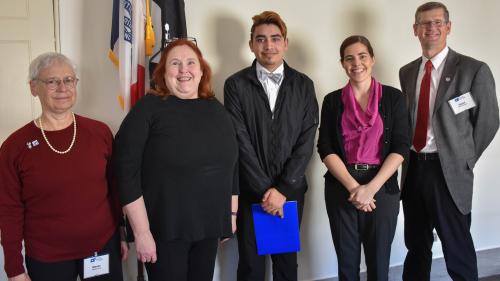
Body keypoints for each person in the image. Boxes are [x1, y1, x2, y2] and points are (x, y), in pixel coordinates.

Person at [114, 39, 239, 281]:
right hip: (163, 231)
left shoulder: (216, 109)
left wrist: (230, 217)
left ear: (202, 71)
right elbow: (126, 172)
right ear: (162, 72)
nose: (184, 70)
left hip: (207, 228)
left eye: (191, 62)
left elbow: (232, 165)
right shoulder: (147, 109)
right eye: (175, 63)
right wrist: (141, 233)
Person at [0, 53, 127, 281]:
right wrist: (14, 268)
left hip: (101, 247)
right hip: (47, 256)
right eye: (52, 81)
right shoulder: (14, 147)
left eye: (69, 80)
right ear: (33, 87)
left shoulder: (99, 133)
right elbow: (8, 209)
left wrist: (121, 232)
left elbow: (114, 188)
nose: (62, 88)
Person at [400, 2, 499, 281]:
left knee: (456, 246)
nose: (431, 28)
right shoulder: (407, 72)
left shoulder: (473, 69)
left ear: (448, 27)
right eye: (424, 23)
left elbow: (489, 121)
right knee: (416, 245)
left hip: (448, 172)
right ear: (415, 29)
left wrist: (462, 158)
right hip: (414, 168)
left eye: (437, 22)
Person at [224, 11, 318, 281]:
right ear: (251, 44)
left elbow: (306, 140)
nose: (269, 46)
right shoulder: (235, 85)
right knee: (250, 265)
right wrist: (267, 191)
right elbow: (239, 140)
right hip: (252, 193)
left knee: (286, 265)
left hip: (290, 192)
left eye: (275, 39)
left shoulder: (304, 85)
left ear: (285, 43)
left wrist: (282, 190)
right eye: (261, 39)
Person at [317, 35, 409, 281]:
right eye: (349, 58)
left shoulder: (394, 98)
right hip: (341, 184)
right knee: (346, 264)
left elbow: (401, 146)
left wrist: (371, 189)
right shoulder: (332, 101)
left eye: (362, 56)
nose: (356, 63)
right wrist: (355, 187)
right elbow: (325, 148)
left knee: (379, 263)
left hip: (382, 184)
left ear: (373, 59)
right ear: (342, 63)